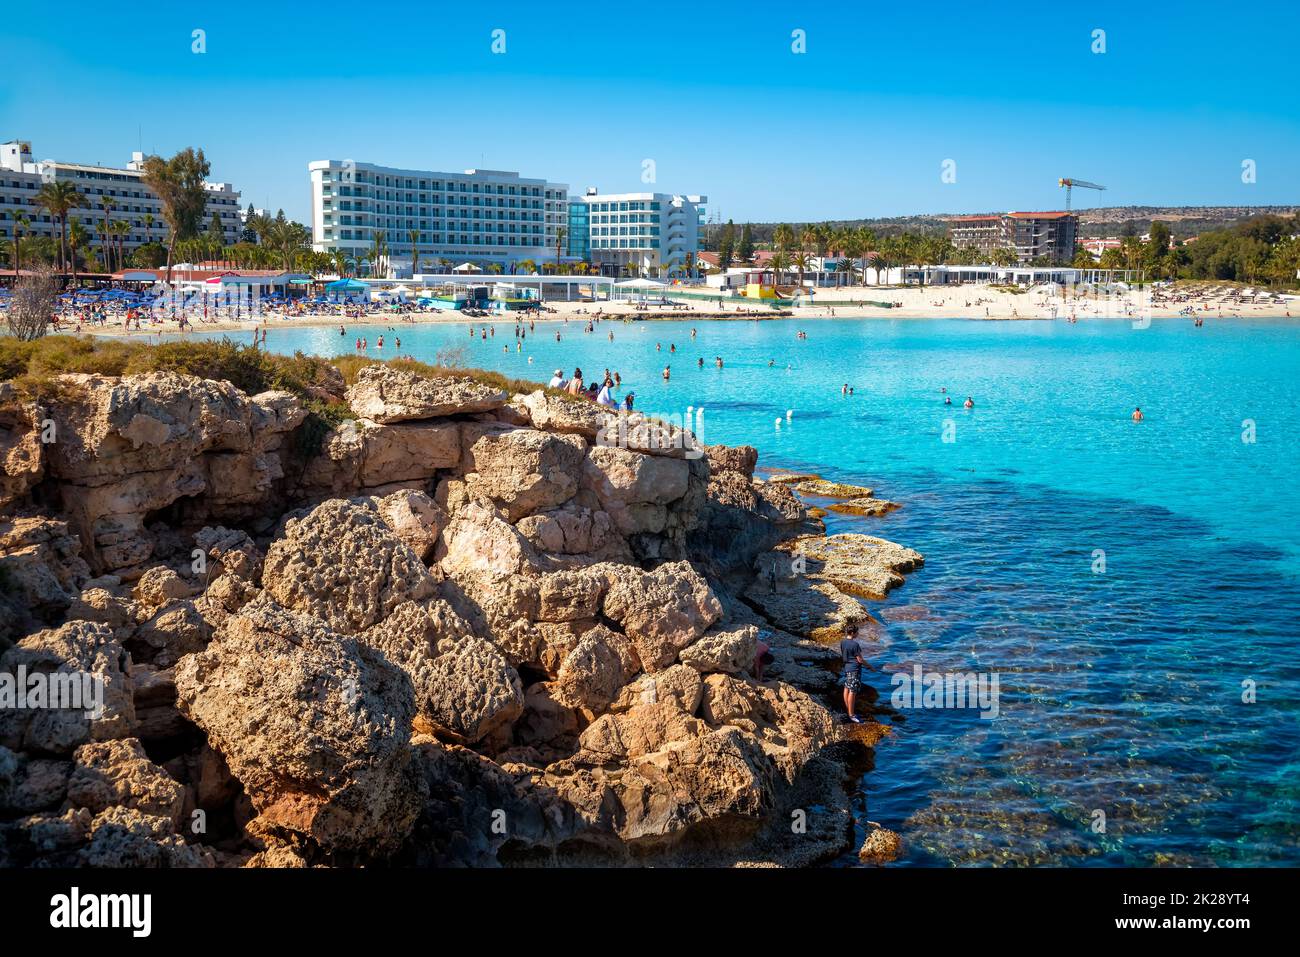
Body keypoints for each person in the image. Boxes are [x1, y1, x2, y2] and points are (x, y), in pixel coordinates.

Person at [840, 625, 868, 724]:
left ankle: (848, 710)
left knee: (846, 688)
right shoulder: (855, 644)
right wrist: (870, 666)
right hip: (854, 669)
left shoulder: (843, 642)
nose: (858, 634)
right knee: (852, 691)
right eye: (857, 632)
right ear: (852, 633)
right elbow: (860, 660)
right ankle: (851, 715)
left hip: (847, 668)